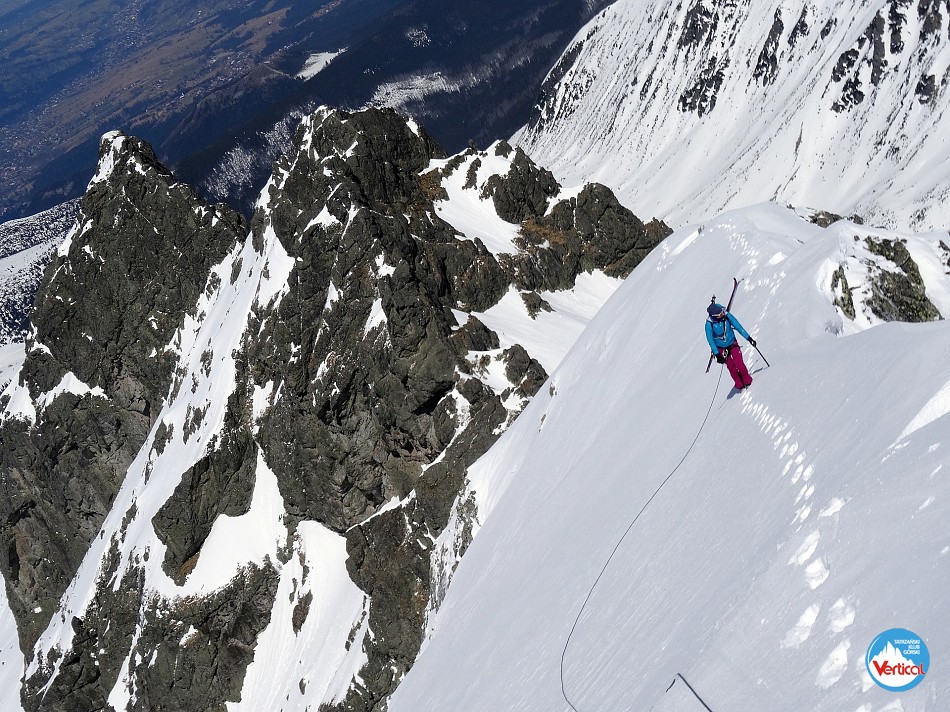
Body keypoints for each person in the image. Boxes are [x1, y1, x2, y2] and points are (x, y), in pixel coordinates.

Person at [705, 301, 756, 390]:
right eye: (720, 314)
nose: (722, 314)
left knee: (739, 363)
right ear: (714, 316)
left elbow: (738, 326)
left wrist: (749, 338)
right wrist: (717, 354)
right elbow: (711, 340)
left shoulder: (726, 315)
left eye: (722, 312)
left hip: (732, 343)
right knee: (731, 366)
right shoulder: (709, 325)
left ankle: (747, 380)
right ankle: (739, 384)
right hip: (721, 348)